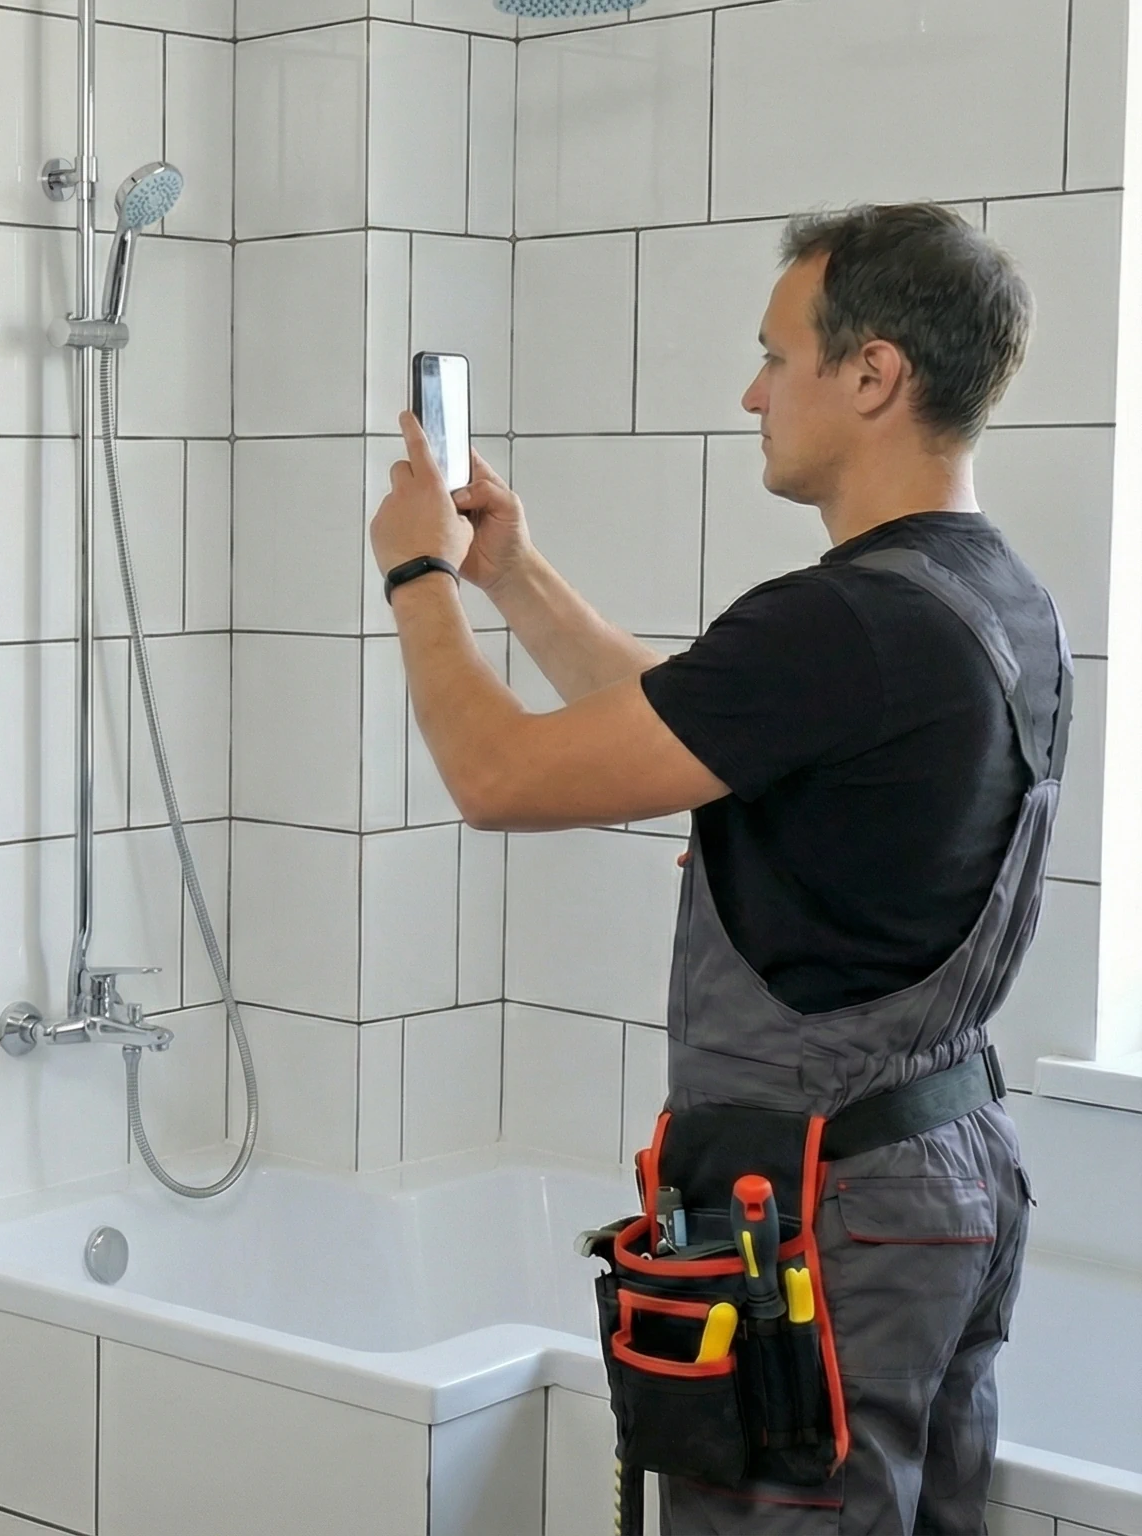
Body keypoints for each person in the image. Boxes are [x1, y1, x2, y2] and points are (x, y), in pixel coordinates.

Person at [369, 202, 1062, 1536]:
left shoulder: (846, 620)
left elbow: (499, 776)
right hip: (945, 1177)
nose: (752, 393)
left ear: (873, 376)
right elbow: (688, 724)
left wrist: (416, 574)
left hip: (829, 1222)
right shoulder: (991, 599)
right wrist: (511, 576)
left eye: (776, 356)